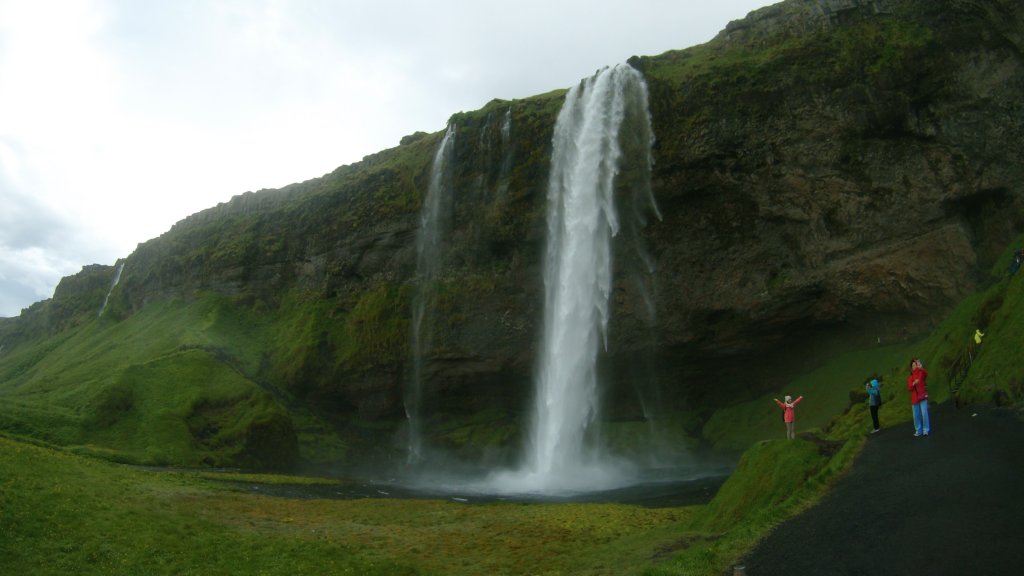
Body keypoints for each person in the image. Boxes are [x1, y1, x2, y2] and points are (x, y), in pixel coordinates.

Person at [907, 358, 931, 436]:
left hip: (922, 396)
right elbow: (909, 388)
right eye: (913, 365)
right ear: (911, 367)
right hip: (915, 398)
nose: (914, 366)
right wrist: (914, 383)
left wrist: (921, 368)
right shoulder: (910, 377)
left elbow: (926, 374)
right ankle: (918, 430)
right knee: (916, 416)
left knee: (924, 413)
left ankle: (926, 430)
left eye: (915, 365)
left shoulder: (921, 373)